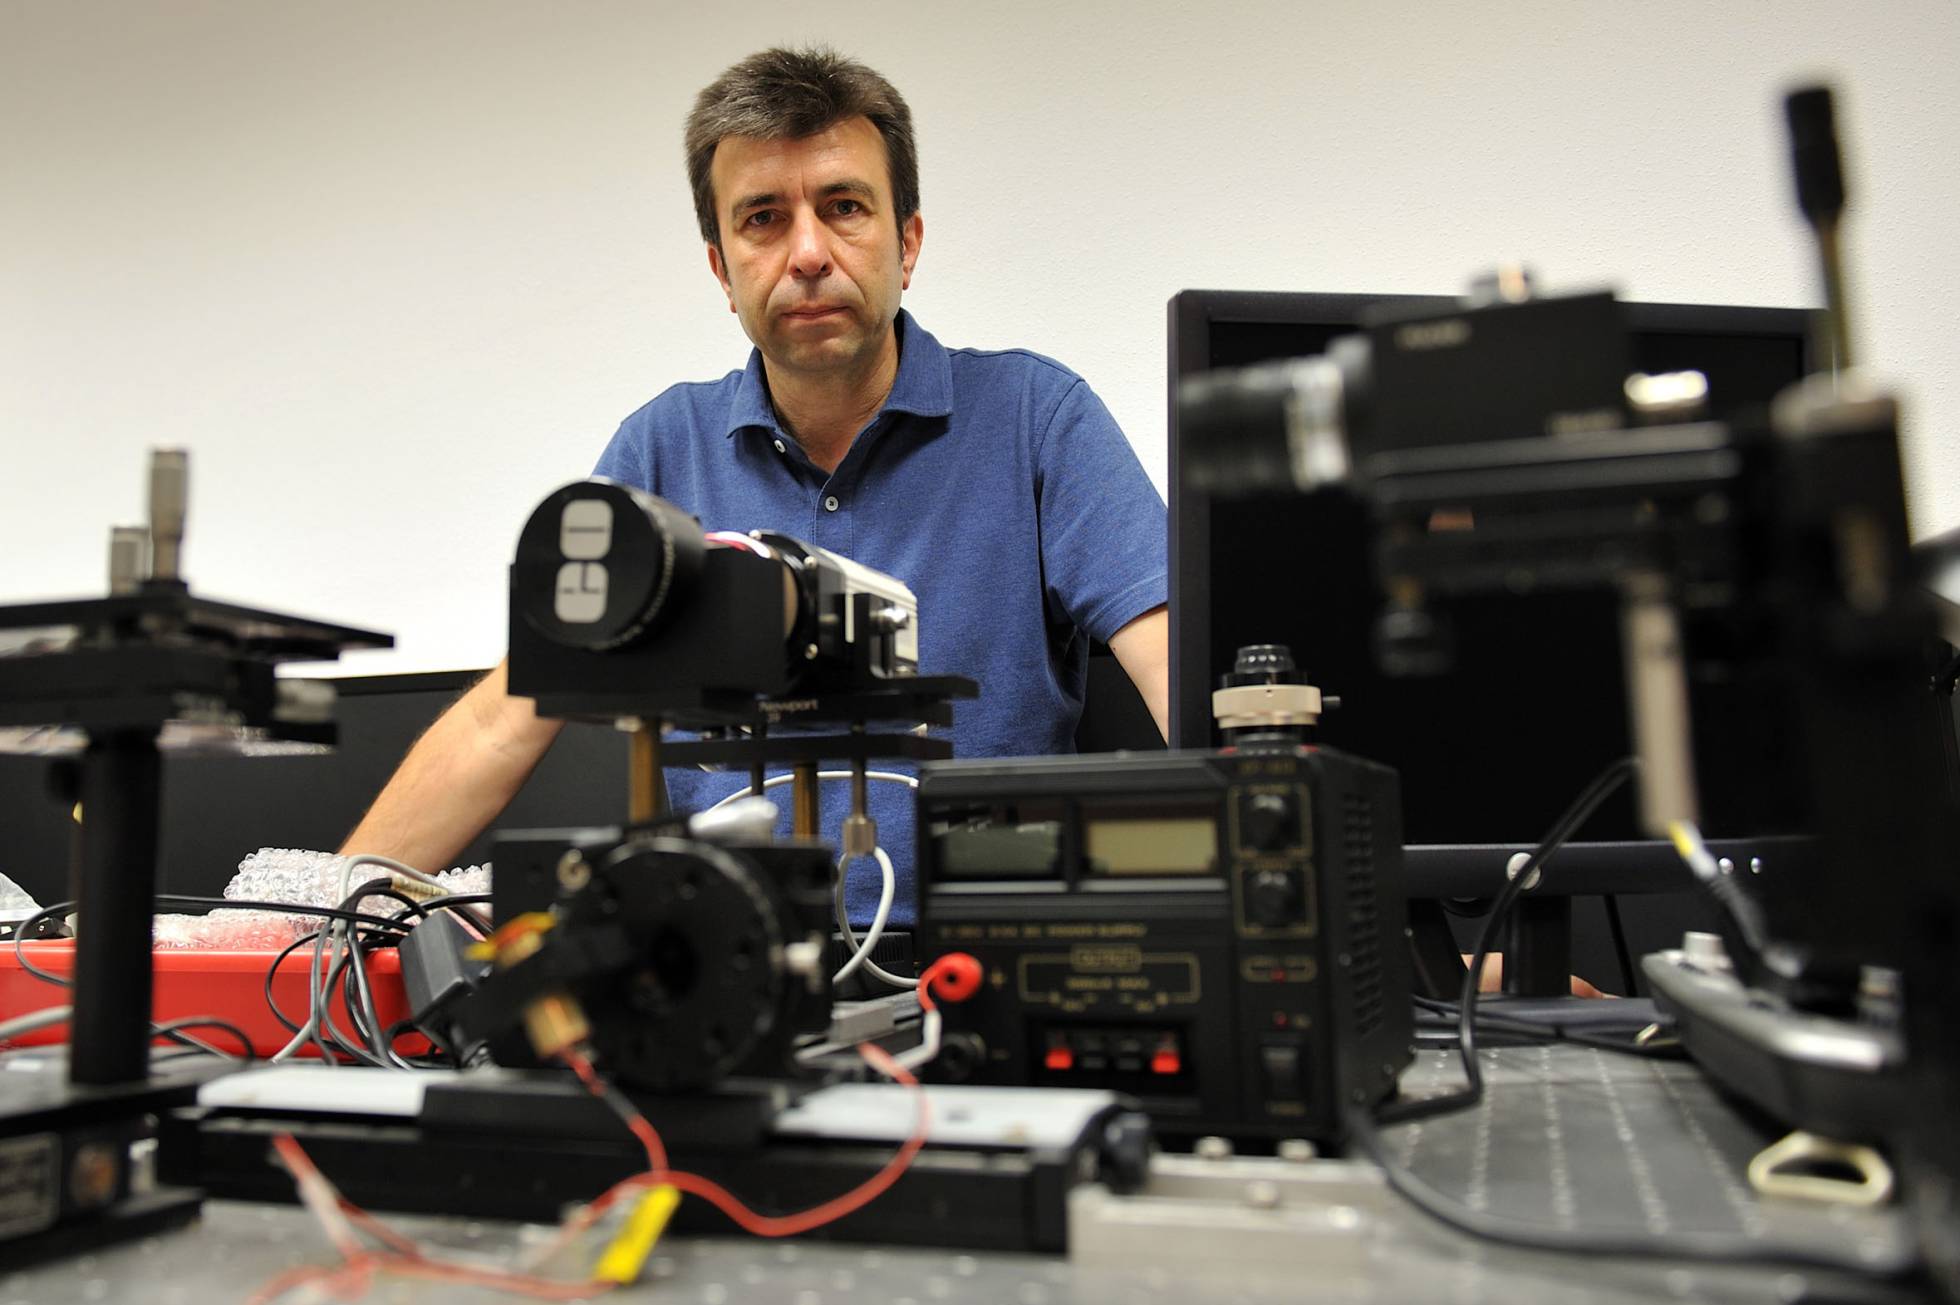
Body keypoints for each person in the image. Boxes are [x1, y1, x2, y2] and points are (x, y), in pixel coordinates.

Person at [340, 47, 1169, 924]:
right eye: (764, 219)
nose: (808, 253)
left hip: (987, 966)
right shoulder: (662, 449)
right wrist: (317, 914)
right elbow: (498, 721)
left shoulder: (1037, 416)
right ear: (721, 268)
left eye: (844, 208)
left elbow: (1175, 663)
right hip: (729, 982)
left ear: (908, 241)